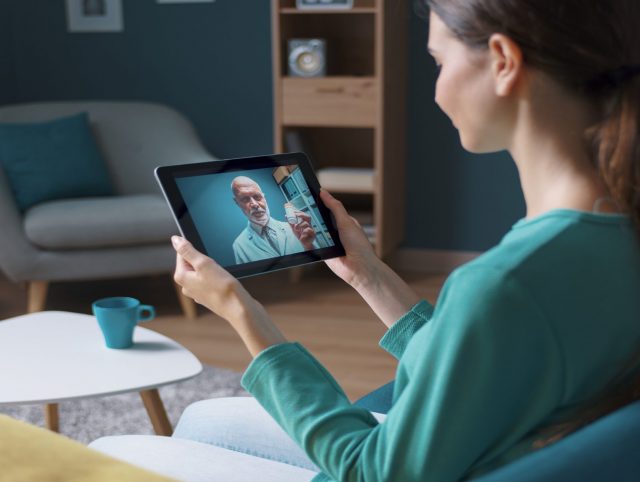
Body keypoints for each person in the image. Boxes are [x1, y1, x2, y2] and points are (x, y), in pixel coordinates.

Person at [91, 1, 640, 480]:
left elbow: (372, 472)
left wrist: (238, 307)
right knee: (202, 419)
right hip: (485, 450)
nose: (437, 84)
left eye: (438, 61)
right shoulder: (608, 235)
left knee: (109, 452)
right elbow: (483, 361)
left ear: (502, 62)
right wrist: (368, 274)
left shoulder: (503, 282)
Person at [230, 176, 317, 264]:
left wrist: (308, 246)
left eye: (257, 197)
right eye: (245, 199)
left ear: (264, 197)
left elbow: (320, 263)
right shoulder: (239, 245)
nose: (255, 204)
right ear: (237, 202)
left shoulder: (297, 228)